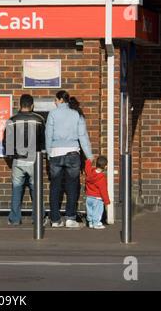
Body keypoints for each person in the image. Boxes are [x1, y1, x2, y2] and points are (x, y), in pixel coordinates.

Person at [45, 90, 94, 228]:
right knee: (72, 187)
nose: (54, 102)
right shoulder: (77, 114)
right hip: (73, 153)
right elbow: (83, 137)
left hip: (55, 153)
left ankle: (55, 220)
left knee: (55, 187)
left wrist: (49, 153)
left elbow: (48, 135)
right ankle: (70, 218)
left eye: (55, 100)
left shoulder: (53, 114)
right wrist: (89, 156)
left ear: (61, 100)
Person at [2, 94, 46, 225]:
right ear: (32, 106)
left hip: (18, 160)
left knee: (16, 190)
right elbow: (43, 140)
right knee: (36, 190)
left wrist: (11, 156)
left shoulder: (11, 120)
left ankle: (15, 219)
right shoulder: (39, 119)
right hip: (34, 160)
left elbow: (6, 141)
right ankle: (38, 218)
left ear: (19, 105)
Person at [85, 156, 110, 229]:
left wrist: (88, 162)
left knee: (90, 211)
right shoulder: (102, 177)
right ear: (105, 166)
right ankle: (97, 223)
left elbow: (87, 169)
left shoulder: (90, 172)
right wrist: (106, 201)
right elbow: (103, 190)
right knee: (97, 211)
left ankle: (91, 222)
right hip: (97, 198)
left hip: (89, 196)